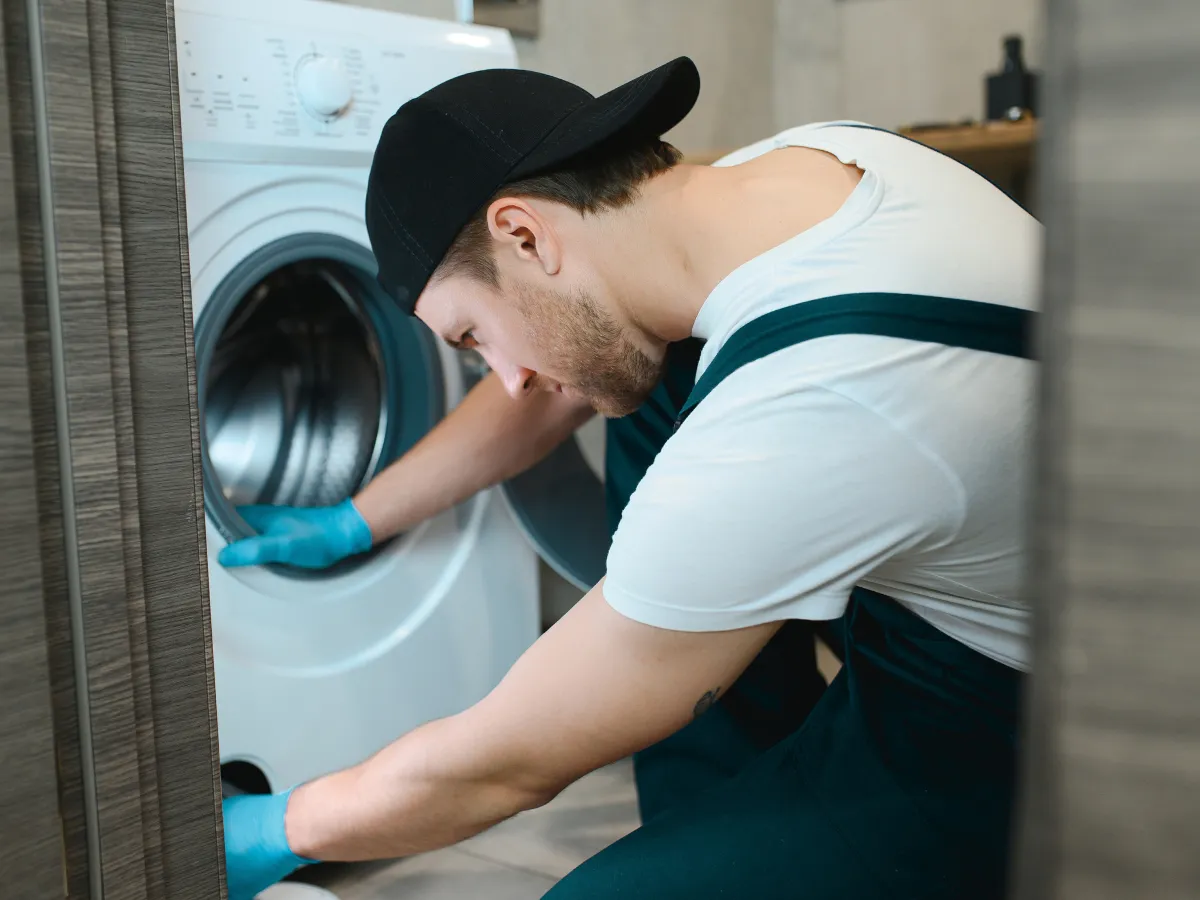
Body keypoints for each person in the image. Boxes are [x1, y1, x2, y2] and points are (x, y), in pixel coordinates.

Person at [220, 57, 1040, 900]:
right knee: (640, 384)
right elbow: (560, 380)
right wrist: (358, 517)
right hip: (998, 568)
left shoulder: (820, 393)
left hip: (1034, 726)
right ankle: (727, 806)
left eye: (472, 336)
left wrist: (279, 827)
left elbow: (507, 765)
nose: (506, 377)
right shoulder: (811, 169)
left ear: (527, 235)